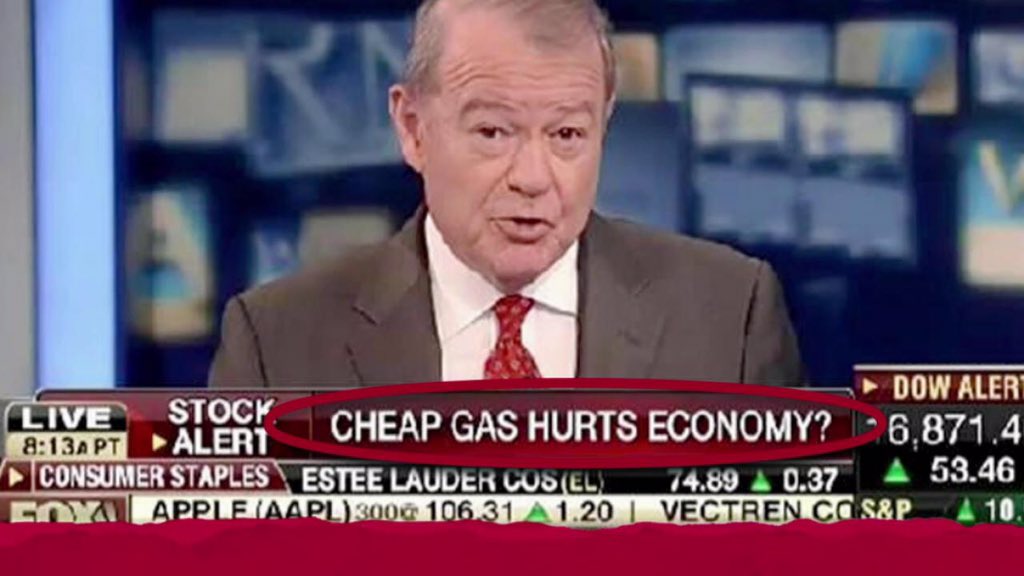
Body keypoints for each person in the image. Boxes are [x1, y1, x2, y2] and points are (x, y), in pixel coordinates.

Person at [209, 0, 803, 388]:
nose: (534, 177)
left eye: (567, 135)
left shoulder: (732, 318)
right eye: (494, 132)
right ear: (413, 128)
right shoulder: (275, 345)